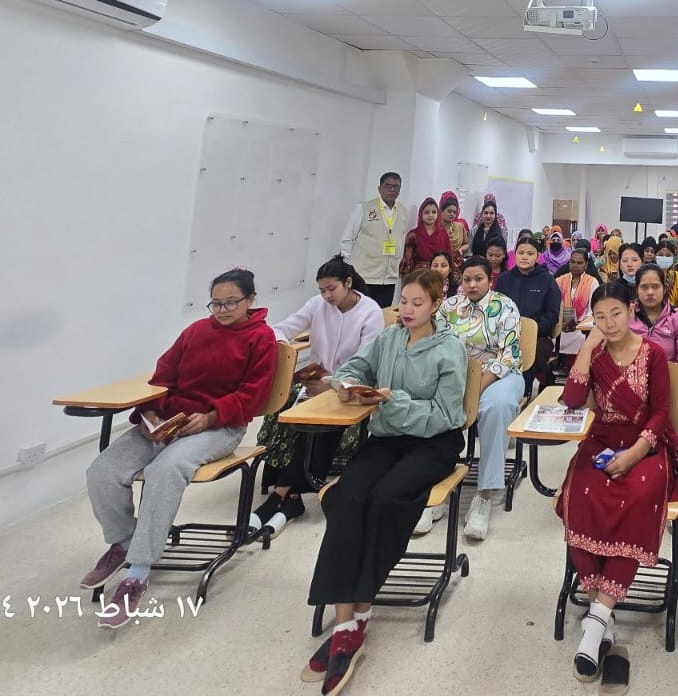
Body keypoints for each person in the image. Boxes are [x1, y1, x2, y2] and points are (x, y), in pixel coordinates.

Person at [82, 269, 276, 628]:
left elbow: (254, 394)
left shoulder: (261, 338)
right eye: (216, 303)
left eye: (231, 302)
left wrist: (210, 416)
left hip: (221, 425)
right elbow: (162, 376)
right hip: (169, 421)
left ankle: (137, 572)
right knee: (102, 472)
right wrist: (150, 414)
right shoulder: (195, 331)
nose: (222, 310)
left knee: (165, 470)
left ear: (250, 300)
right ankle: (125, 541)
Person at [305, 268, 467, 694]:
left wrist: (396, 403)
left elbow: (449, 415)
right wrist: (347, 384)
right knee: (346, 497)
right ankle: (347, 623)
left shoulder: (449, 348)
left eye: (417, 303)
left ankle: (359, 614)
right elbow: (355, 366)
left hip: (434, 442)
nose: (407, 310)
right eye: (403, 302)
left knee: (387, 499)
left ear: (436, 305)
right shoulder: (390, 338)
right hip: (389, 438)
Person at [559, 281, 678, 680]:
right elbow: (572, 400)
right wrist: (587, 348)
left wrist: (635, 453)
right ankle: (603, 616)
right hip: (601, 441)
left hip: (646, 445)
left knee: (639, 497)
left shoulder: (653, 353)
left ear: (630, 311)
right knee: (580, 494)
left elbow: (660, 413)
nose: (609, 323)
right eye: (601, 317)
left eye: (616, 313)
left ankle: (596, 621)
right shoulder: (595, 354)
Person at [253, 256, 385, 536]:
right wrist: (284, 349)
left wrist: (333, 386)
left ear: (348, 283)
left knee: (320, 418)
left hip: (349, 389)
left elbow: (366, 364)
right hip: (314, 383)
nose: (326, 296)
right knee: (284, 408)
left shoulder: (370, 312)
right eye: (322, 290)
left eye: (331, 289)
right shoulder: (317, 305)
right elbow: (281, 329)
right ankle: (289, 494)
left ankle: (281, 494)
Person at [435, 257, 524, 540]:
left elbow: (509, 356)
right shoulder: (449, 307)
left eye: (479, 279)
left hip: (499, 375)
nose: (472, 285)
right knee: (431, 402)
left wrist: (476, 389)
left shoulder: (505, 306)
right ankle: (435, 487)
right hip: (456, 374)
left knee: (497, 407)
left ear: (490, 280)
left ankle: (484, 494)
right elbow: (436, 345)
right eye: (467, 279)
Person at [495, 237, 562, 393]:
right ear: (515, 254)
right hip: (506, 335)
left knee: (529, 353)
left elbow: (552, 314)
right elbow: (496, 308)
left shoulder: (547, 280)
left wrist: (534, 329)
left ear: (537, 256)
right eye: (521, 253)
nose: (525, 257)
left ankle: (525, 392)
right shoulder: (504, 279)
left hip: (538, 336)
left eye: (530, 254)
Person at [340, 172, 411, 307]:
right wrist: (349, 267)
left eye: (396, 186)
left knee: (381, 314)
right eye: (387, 186)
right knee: (359, 313)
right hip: (363, 276)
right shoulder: (364, 208)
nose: (392, 190)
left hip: (388, 278)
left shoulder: (403, 212)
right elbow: (347, 239)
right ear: (379, 188)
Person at [630, 264, 678, 374]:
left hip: (669, 379)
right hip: (631, 378)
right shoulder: (626, 317)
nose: (650, 292)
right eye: (644, 287)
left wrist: (661, 374)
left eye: (655, 287)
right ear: (636, 289)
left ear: (664, 289)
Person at [557, 248, 600, 366]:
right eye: (572, 262)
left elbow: (592, 309)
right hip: (562, 324)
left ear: (586, 265)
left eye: (579, 263)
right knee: (555, 336)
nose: (575, 265)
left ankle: (576, 366)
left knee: (579, 337)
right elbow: (554, 304)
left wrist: (579, 323)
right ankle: (559, 365)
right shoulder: (560, 281)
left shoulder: (592, 282)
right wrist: (562, 322)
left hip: (582, 325)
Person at [399, 197, 444, 276]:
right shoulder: (413, 235)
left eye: (434, 212)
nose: (430, 215)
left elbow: (447, 256)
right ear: (421, 214)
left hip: (437, 274)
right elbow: (408, 260)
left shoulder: (443, 233)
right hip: (418, 276)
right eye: (427, 212)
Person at [653, 237, 678, 314]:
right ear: (655, 257)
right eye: (660, 255)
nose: (664, 257)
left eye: (668, 256)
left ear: (673, 258)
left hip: (674, 317)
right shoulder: (648, 276)